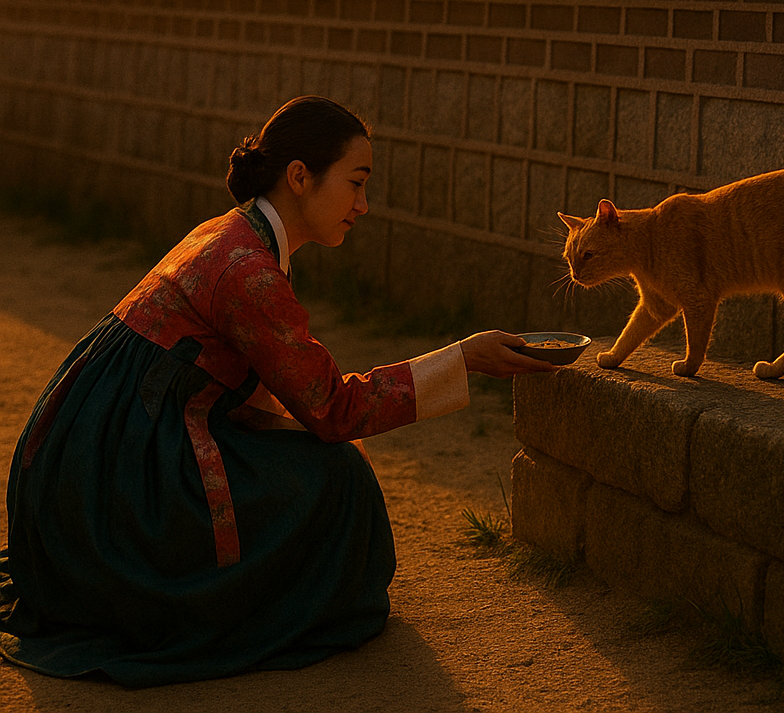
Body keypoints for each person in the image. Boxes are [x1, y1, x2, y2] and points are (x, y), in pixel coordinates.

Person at [0, 96, 551, 687]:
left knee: (317, 461)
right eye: (356, 183)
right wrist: (461, 361)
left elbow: (278, 391)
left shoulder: (231, 233)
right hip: (121, 476)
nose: (363, 205)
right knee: (336, 478)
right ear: (299, 176)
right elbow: (333, 410)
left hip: (84, 455)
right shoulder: (248, 268)